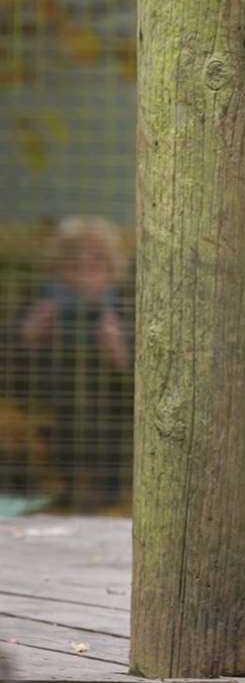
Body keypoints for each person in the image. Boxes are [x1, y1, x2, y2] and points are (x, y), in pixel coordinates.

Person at [9, 216, 134, 508]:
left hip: (109, 412)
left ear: (111, 270)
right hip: (51, 402)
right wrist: (29, 335)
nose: (83, 277)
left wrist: (118, 349)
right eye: (73, 266)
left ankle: (99, 493)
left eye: (94, 266)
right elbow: (12, 369)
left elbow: (138, 379)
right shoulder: (40, 301)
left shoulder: (125, 305)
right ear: (56, 269)